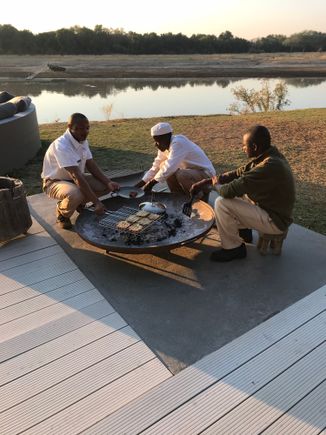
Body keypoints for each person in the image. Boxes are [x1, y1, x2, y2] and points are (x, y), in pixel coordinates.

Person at [190, 125, 296, 262]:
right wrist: (206, 181)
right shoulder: (270, 155)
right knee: (240, 195)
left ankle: (233, 248)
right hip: (271, 210)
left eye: (244, 145)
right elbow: (238, 173)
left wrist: (215, 185)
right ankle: (244, 231)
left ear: (255, 147)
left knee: (222, 203)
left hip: (275, 221)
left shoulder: (267, 166)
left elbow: (227, 191)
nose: (243, 148)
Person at [41, 113, 120, 229]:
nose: (85, 131)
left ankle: (79, 204)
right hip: (54, 182)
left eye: (87, 128)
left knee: (106, 186)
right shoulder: (62, 146)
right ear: (69, 127)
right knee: (75, 194)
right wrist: (96, 202)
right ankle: (62, 212)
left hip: (74, 178)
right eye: (80, 128)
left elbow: (90, 164)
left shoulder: (82, 140)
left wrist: (108, 182)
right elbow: (76, 176)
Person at [134, 122, 216, 195]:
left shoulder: (178, 142)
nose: (155, 144)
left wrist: (151, 184)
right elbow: (156, 167)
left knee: (181, 174)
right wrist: (138, 186)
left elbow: (170, 167)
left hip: (205, 175)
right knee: (163, 166)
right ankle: (177, 196)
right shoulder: (164, 146)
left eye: (157, 141)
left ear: (166, 137)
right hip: (191, 173)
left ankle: (198, 198)